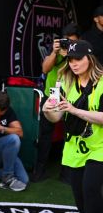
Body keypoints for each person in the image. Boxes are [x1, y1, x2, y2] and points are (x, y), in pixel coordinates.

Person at [43, 40, 103, 213]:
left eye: (78, 59)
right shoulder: (64, 82)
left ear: (90, 59)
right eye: (70, 60)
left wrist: (74, 110)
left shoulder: (102, 83)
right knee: (80, 198)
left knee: (90, 190)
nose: (73, 63)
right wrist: (47, 111)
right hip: (75, 148)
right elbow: (56, 117)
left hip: (99, 147)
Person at [32, 23, 80, 182]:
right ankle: (40, 170)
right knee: (45, 134)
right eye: (67, 41)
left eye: (72, 42)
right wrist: (55, 51)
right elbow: (45, 69)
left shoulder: (81, 53)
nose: (69, 44)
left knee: (70, 133)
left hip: (72, 96)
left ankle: (67, 172)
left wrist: (72, 53)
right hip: (52, 94)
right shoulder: (57, 52)